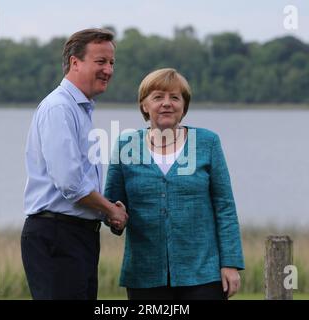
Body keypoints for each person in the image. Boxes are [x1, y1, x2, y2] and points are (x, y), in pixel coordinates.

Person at [104, 68, 244, 300]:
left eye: (175, 97)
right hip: (144, 275)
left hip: (203, 274)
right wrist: (114, 218)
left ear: (184, 106)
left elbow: (225, 207)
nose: (167, 103)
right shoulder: (125, 145)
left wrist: (230, 263)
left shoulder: (208, 142)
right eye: (158, 97)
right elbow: (112, 205)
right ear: (144, 106)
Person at [21, 28, 128, 300]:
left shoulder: (80, 109)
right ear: (75, 62)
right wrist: (110, 211)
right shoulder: (60, 108)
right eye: (100, 61)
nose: (108, 70)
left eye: (112, 63)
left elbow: (81, 183)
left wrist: (105, 213)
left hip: (76, 237)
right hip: (58, 236)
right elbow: (71, 184)